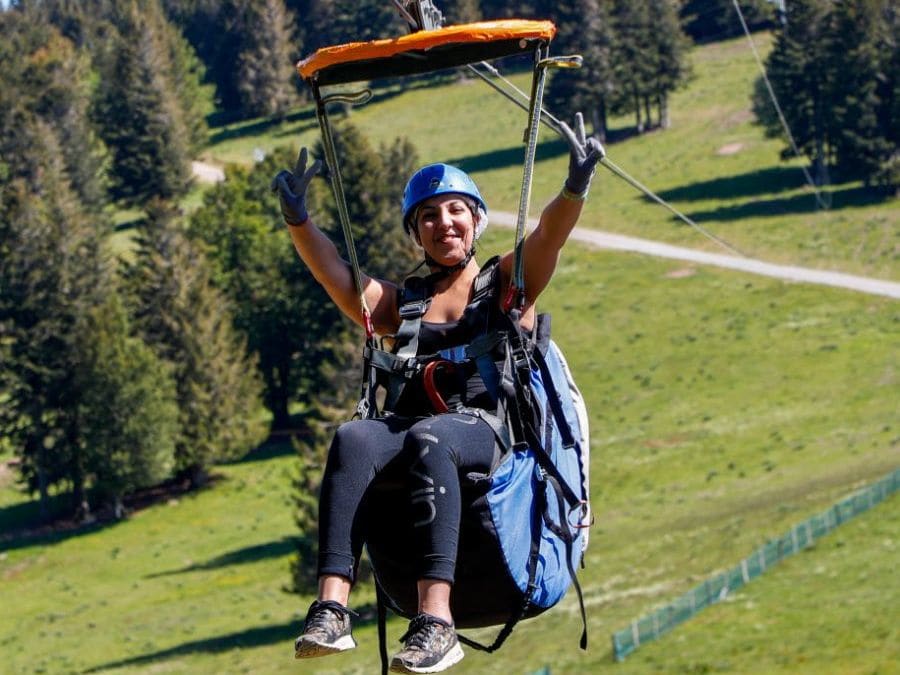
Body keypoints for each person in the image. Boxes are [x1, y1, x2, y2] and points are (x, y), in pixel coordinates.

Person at [271, 113, 603, 674]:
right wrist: (298, 219)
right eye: (429, 216)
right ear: (415, 231)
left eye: (455, 211)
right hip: (419, 435)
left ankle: (435, 622)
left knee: (431, 435)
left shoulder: (504, 285)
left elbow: (549, 235)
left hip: (488, 432)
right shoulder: (401, 305)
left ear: (476, 222)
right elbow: (335, 274)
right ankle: (331, 606)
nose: (443, 223)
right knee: (353, 438)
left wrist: (574, 187)